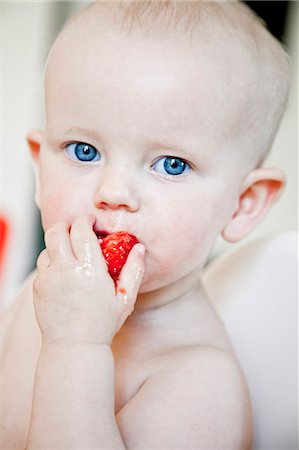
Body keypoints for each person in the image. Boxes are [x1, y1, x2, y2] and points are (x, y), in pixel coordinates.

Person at [1, 1, 291, 448]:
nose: (113, 191)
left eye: (172, 164)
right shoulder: (47, 288)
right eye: (84, 150)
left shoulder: (200, 386)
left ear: (242, 205)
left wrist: (75, 348)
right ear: (40, 172)